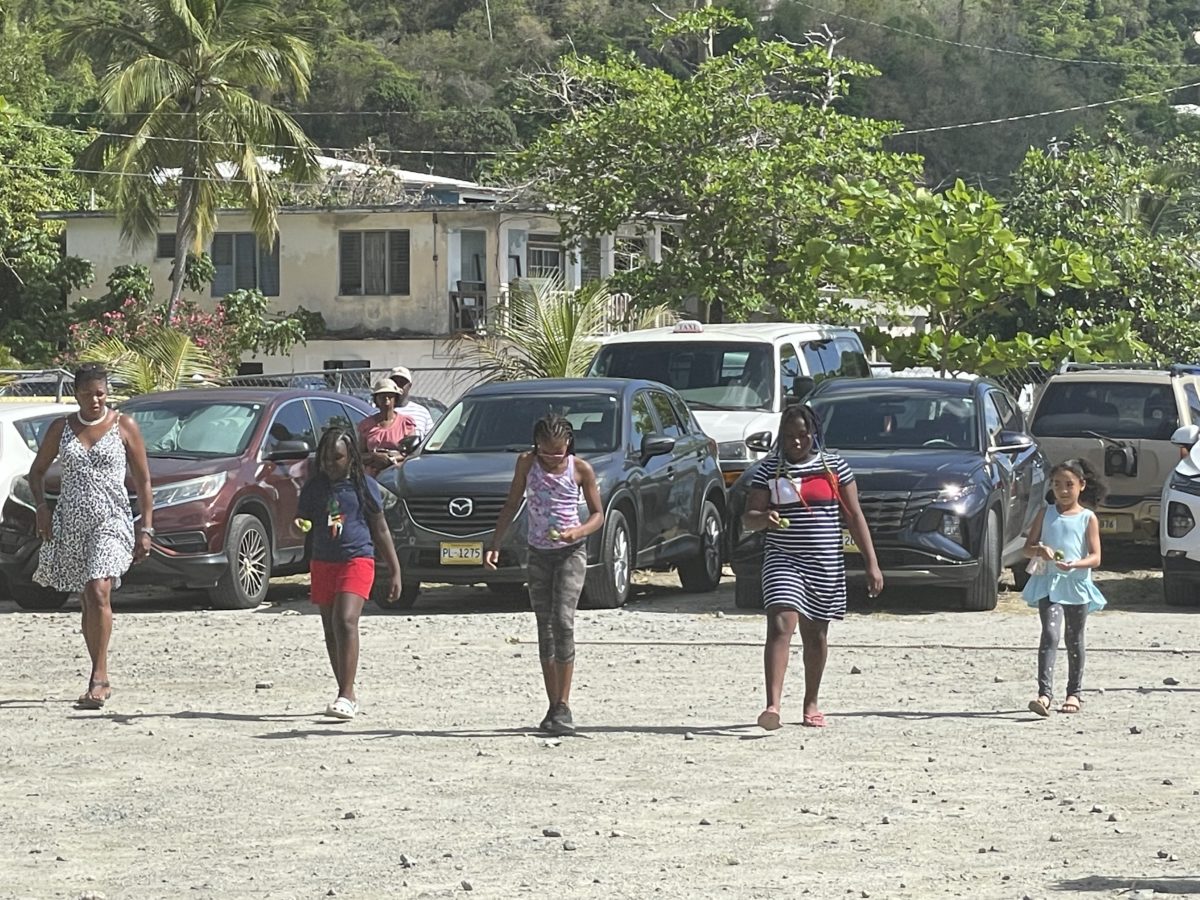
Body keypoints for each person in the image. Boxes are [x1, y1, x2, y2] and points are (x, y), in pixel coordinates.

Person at [742, 404, 883, 730]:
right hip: (783, 559)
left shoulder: (834, 468)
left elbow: (854, 516)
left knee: (815, 635)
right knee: (780, 624)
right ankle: (772, 706)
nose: (796, 442)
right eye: (789, 436)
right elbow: (749, 518)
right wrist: (764, 519)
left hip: (824, 563)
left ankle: (811, 702)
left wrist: (871, 563)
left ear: (814, 434)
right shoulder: (768, 471)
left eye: (803, 435)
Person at [28, 363, 154, 710]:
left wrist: (146, 527)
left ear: (107, 392)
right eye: (88, 394)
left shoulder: (124, 425)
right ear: (76, 395)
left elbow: (143, 480)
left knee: (99, 588)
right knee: (87, 598)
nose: (95, 400)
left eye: (100, 393)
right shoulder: (61, 428)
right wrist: (42, 508)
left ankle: (100, 677)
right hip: (71, 523)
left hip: (111, 520)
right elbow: (36, 473)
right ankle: (97, 669)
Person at [485, 413, 604, 735]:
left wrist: (578, 532)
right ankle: (552, 705)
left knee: (563, 622)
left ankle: (564, 704)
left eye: (558, 452)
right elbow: (512, 503)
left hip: (570, 553)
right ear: (536, 445)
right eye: (546, 452)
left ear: (569, 445)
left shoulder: (580, 469)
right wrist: (496, 543)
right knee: (544, 626)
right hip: (538, 552)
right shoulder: (527, 464)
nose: (552, 458)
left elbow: (598, 515)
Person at [297, 426, 403, 720]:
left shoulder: (364, 485)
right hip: (323, 561)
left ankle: (347, 694)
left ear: (352, 457)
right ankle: (343, 690)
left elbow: (380, 529)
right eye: (326, 458)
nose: (330, 464)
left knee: (345, 620)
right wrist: (299, 523)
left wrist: (395, 570)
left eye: (337, 458)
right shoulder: (314, 487)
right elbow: (302, 518)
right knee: (331, 628)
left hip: (357, 559)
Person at [1023, 458, 1107, 717]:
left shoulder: (1087, 518)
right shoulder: (1045, 513)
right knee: (1049, 634)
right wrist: (1040, 550)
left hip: (1076, 586)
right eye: (1057, 484)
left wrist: (1074, 564)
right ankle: (1044, 694)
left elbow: (1096, 557)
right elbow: (1027, 548)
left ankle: (1074, 692)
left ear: (1081, 485)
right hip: (1049, 584)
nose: (1063, 490)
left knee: (1074, 638)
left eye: (1069, 484)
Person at [357, 376, 417, 475]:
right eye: (382, 396)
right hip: (372, 476)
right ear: (376, 399)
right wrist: (375, 457)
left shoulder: (406, 423)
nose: (386, 399)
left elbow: (411, 454)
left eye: (390, 396)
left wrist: (390, 458)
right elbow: (359, 455)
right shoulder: (366, 425)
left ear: (396, 398)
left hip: (397, 475)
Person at [389, 366, 435, 439]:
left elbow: (432, 439)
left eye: (402, 383)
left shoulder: (422, 412)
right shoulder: (382, 413)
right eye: (395, 382)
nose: (398, 386)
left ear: (409, 386)